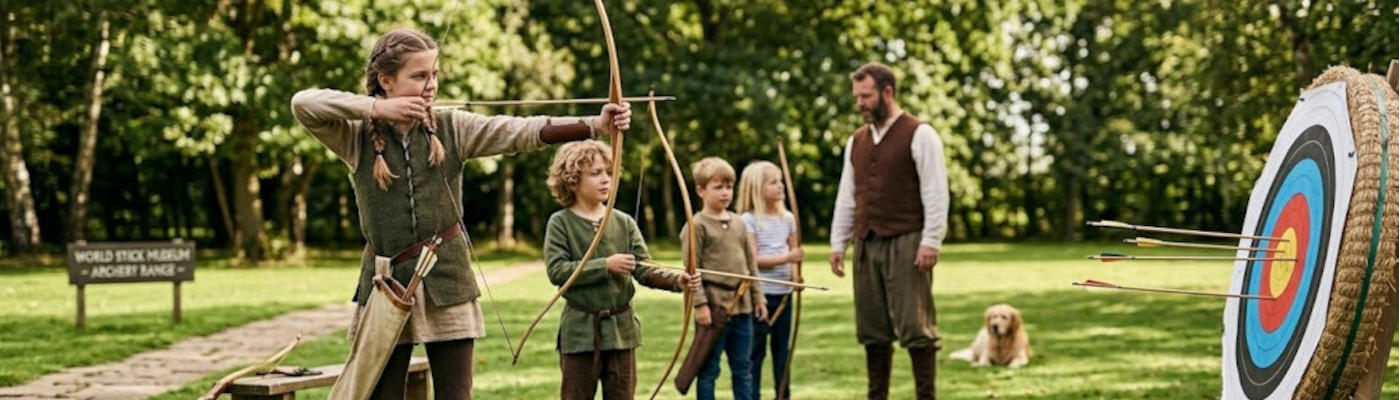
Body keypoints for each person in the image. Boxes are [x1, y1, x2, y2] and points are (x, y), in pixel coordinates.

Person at [290, 28, 632, 400]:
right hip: (385, 282)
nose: (430, 85)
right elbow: (303, 103)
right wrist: (377, 108)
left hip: (447, 278)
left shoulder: (454, 126)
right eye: (419, 76)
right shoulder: (354, 134)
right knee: (382, 394)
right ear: (385, 81)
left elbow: (520, 130)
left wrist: (594, 125)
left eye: (434, 74)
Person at [828, 62, 950, 400]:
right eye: (857, 97)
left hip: (909, 240)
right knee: (872, 330)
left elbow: (936, 192)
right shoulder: (857, 141)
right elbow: (847, 196)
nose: (860, 104)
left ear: (887, 92)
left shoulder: (920, 133)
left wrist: (931, 241)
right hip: (867, 244)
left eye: (865, 96)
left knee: (916, 327)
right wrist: (838, 243)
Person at [543, 141, 700, 400]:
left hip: (621, 332)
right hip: (580, 333)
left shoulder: (623, 222)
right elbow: (558, 272)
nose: (606, 179)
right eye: (596, 173)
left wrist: (678, 281)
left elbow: (643, 268)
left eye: (609, 171)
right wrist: (606, 265)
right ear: (571, 181)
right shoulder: (560, 222)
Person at [681, 157, 766, 400]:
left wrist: (758, 298)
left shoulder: (739, 223)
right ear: (700, 190)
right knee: (708, 370)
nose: (725, 192)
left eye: (729, 187)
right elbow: (690, 269)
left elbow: (751, 265)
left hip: (742, 307)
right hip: (713, 309)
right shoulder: (696, 225)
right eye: (718, 187)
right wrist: (700, 304)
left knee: (743, 368)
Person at [737, 161, 802, 400]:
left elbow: (795, 253)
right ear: (757, 188)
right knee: (755, 353)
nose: (781, 186)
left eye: (781, 181)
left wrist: (795, 275)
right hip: (760, 296)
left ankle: (783, 395)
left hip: (784, 295)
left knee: (782, 351)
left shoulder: (788, 218)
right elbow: (753, 259)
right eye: (773, 182)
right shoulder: (748, 220)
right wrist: (788, 257)